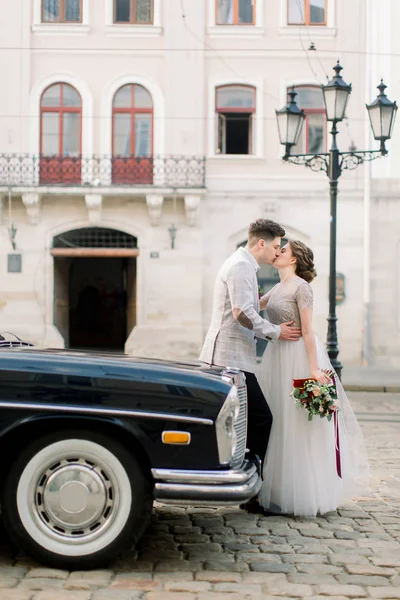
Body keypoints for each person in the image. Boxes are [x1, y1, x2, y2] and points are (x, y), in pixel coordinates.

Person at [258, 240, 369, 517]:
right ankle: (277, 489)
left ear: (294, 259)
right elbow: (252, 308)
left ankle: (301, 493)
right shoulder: (277, 286)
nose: (278, 252)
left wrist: (314, 369)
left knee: (296, 424)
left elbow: (307, 331)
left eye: (283, 250)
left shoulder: (301, 287)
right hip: (275, 355)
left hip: (296, 355)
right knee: (277, 419)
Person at [200, 219, 301, 512]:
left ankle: (242, 485)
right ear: (261, 243)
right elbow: (242, 311)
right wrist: (276, 331)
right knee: (261, 419)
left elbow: (248, 304)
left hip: (232, 357)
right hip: (228, 359)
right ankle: (251, 491)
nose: (277, 252)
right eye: (275, 246)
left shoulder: (242, 264)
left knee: (237, 423)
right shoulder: (241, 266)